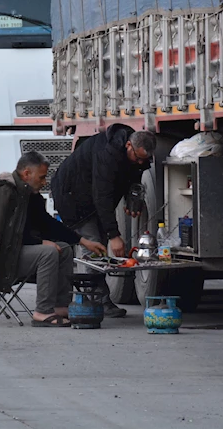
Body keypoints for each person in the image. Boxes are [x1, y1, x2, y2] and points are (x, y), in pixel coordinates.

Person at [0, 151, 107, 327]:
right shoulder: (4, 192)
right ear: (27, 174)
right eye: (41, 177)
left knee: (64, 249)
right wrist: (38, 242)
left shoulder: (28, 194)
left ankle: (60, 306)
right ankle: (42, 312)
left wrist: (82, 241)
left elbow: (47, 223)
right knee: (47, 252)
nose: (44, 182)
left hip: (15, 252)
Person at [51, 125, 157, 318]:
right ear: (128, 146)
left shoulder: (131, 152)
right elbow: (102, 196)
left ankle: (94, 297)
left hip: (89, 195)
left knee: (98, 242)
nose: (141, 162)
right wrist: (114, 235)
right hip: (72, 196)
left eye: (145, 159)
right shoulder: (107, 154)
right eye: (138, 157)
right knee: (94, 245)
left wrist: (132, 196)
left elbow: (131, 175)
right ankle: (98, 299)